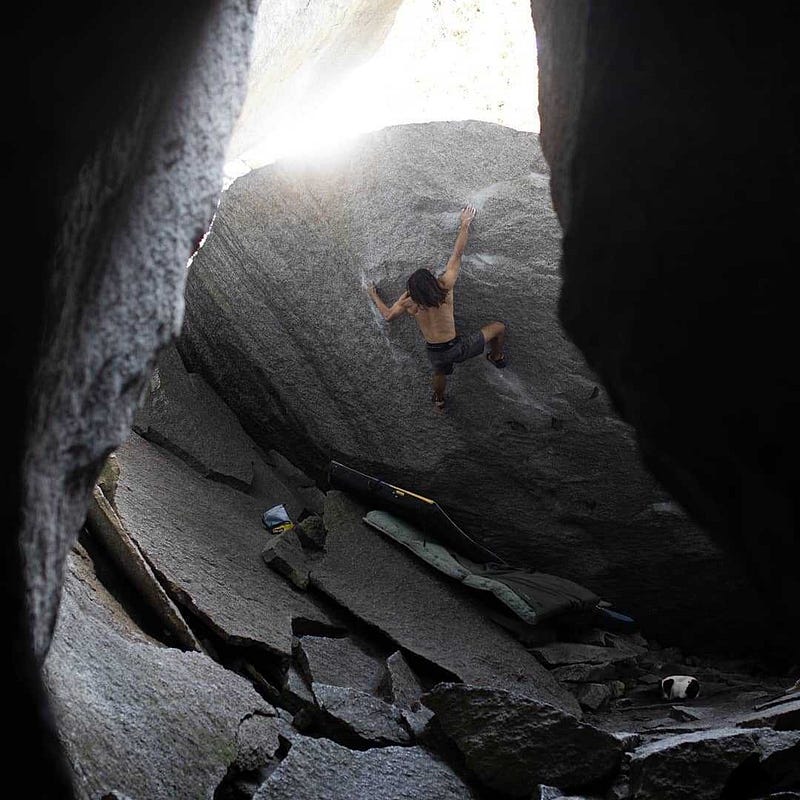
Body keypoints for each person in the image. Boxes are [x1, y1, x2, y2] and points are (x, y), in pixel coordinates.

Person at [367, 204, 507, 412]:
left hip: (435, 352)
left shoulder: (409, 303)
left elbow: (387, 315)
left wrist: (373, 294)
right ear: (431, 281)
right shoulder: (444, 289)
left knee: (440, 372)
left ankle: (439, 400)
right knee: (499, 327)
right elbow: (457, 255)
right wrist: (464, 225)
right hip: (457, 348)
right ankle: (496, 357)